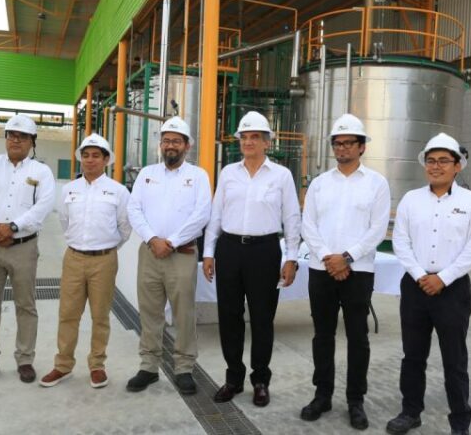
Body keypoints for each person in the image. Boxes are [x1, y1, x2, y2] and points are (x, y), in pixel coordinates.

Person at [386, 133, 471, 435]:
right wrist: (421, 275)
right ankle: (410, 412)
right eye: (431, 160)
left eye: (444, 160)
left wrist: (443, 278)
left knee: (454, 359)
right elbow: (400, 241)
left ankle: (460, 421)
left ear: (458, 166)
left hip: (453, 289)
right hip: (415, 286)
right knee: (413, 355)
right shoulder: (411, 199)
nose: (436, 166)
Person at [203, 111, 301, 407]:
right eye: (244, 137)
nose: (248, 142)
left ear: (267, 142)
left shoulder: (281, 175)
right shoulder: (228, 173)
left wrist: (292, 257)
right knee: (229, 317)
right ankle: (234, 378)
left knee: (262, 318)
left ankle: (260, 380)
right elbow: (216, 214)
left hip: (264, 251)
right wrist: (208, 252)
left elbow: (292, 217)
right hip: (230, 249)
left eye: (254, 137)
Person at [299, 114, 390, 430]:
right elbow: (308, 224)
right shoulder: (320, 184)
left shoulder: (377, 183)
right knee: (322, 336)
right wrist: (329, 258)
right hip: (321, 269)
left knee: (357, 337)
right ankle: (322, 395)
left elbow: (377, 229)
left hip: (358, 271)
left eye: (349, 142)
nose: (342, 148)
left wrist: (347, 258)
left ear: (362, 147)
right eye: (337, 143)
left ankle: (355, 401)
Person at [0, 114, 55, 386]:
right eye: (11, 135)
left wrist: (13, 227)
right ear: (5, 138)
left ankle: (25, 360)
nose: (16, 140)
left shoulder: (41, 172)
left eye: (22, 136)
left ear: (32, 142)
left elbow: (44, 206)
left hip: (23, 248)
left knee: (26, 305)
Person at [125, 117, 212, 395]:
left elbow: (201, 215)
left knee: (184, 313)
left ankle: (184, 368)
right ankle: (149, 366)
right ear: (160, 144)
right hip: (150, 252)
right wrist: (153, 239)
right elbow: (134, 208)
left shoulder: (198, 176)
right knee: (150, 311)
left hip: (182, 254)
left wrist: (171, 242)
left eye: (176, 141)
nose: (170, 145)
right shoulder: (146, 174)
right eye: (166, 141)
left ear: (187, 145)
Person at [39, 134, 131, 389]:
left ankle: (97, 366)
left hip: (104, 260)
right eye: (86, 155)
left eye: (96, 155)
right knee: (68, 314)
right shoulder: (69, 190)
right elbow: (64, 221)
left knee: (100, 316)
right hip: (74, 258)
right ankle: (63, 365)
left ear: (106, 160)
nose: (90, 160)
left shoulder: (119, 191)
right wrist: (80, 244)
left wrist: (107, 247)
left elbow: (124, 227)